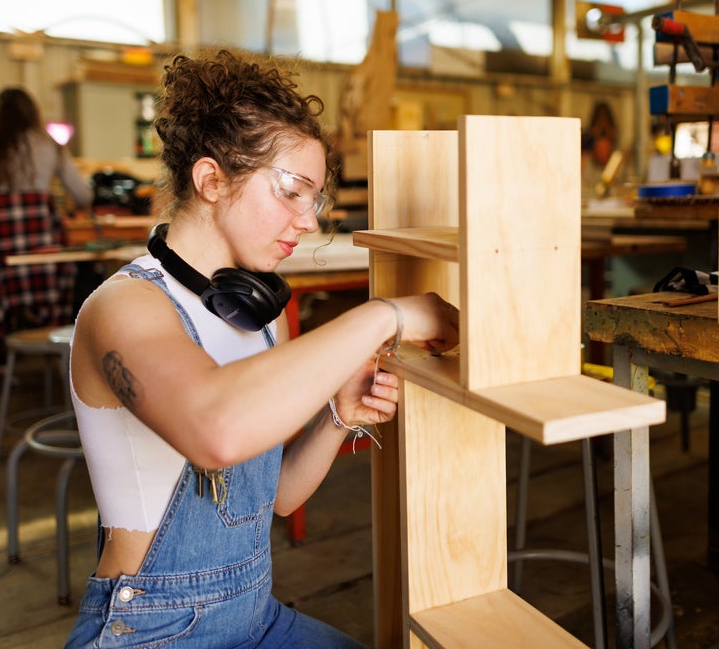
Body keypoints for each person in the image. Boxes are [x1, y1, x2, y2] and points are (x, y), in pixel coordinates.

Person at [64, 49, 458, 648]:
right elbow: (216, 432)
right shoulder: (122, 308)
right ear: (212, 180)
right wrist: (388, 312)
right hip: (154, 629)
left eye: (316, 199)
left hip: (255, 613)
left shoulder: (259, 316)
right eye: (293, 191)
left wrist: (335, 419)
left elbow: (273, 500)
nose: (308, 220)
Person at [0, 86, 93, 358]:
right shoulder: (50, 146)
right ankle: (54, 347)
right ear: (33, 113)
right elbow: (83, 194)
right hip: (42, 255)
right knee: (76, 265)